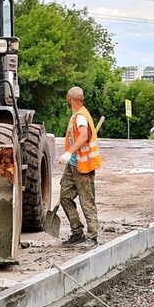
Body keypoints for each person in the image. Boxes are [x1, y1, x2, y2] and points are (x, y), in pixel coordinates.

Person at [58, 86, 102, 248]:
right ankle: (77, 232)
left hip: (83, 166)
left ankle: (93, 237)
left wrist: (69, 152)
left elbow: (83, 136)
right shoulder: (76, 115)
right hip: (73, 165)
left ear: (69, 98)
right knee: (65, 197)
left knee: (87, 201)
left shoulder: (81, 117)